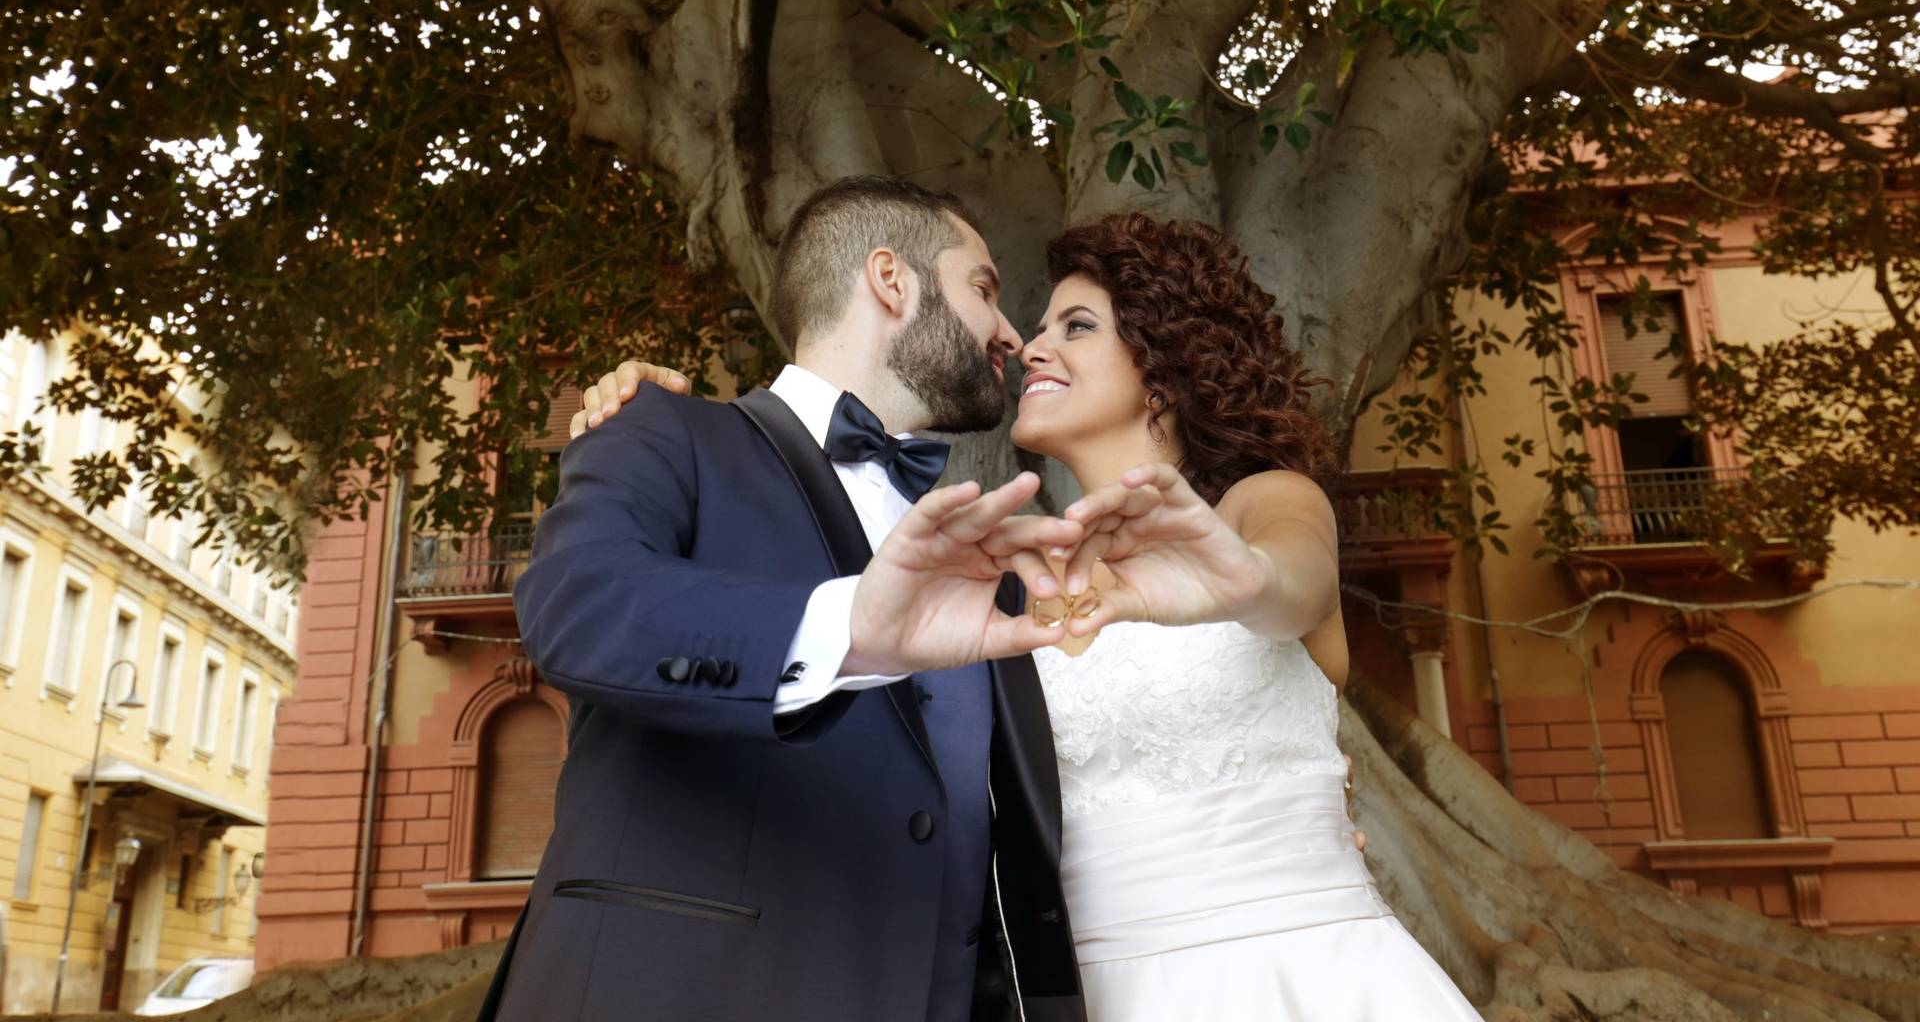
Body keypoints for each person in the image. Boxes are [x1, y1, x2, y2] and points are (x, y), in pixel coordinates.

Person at [581, 212, 1480, 1019]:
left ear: (1163, 372)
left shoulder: (1264, 504)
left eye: (1075, 327)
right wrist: (649, 419)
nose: (1029, 346)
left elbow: (1300, 586)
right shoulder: (1001, 583)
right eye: (1031, 320)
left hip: (1297, 973)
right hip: (1079, 993)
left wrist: (1235, 579)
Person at [479, 177, 1091, 1022]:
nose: (1010, 334)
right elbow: (581, 607)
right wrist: (853, 628)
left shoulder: (981, 551)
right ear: (892, 279)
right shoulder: (662, 433)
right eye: (983, 289)